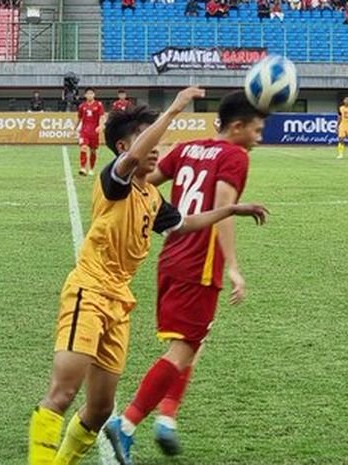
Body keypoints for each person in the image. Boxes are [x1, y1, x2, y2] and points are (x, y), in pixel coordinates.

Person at [27, 88, 268, 465]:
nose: (156, 148)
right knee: (61, 393)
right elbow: (136, 156)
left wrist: (231, 209)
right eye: (145, 138)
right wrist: (172, 110)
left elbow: (186, 223)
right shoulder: (115, 180)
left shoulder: (151, 198)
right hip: (88, 291)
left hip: (119, 302)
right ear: (124, 146)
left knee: (101, 410)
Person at [105, 90, 270, 464]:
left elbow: (146, 182)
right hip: (200, 264)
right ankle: (127, 424)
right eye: (257, 130)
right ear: (238, 127)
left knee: (193, 343)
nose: (259, 137)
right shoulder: (234, 157)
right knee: (182, 349)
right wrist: (233, 267)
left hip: (172, 257)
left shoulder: (188, 148)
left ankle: (167, 418)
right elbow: (222, 209)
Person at [76, 87, 106, 176]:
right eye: (88, 93)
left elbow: (102, 116)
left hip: (94, 132)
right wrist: (74, 128)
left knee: (93, 151)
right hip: (84, 131)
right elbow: (79, 117)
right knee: (83, 148)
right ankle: (83, 168)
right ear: (85, 95)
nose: (89, 95)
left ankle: (91, 168)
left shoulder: (99, 105)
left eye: (91, 93)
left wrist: (100, 125)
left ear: (94, 95)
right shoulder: (82, 106)